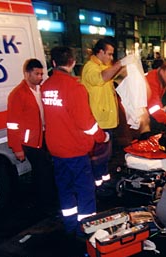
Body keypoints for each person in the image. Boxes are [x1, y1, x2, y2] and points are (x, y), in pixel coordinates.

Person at [41, 46, 109, 235]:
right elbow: (86, 124)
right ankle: (86, 229)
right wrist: (103, 136)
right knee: (85, 190)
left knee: (65, 189)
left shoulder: (46, 87)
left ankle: (70, 224)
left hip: (56, 149)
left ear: (53, 63)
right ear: (72, 62)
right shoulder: (75, 88)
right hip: (75, 150)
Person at [6, 58, 57, 214]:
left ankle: (39, 201)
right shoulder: (18, 94)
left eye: (42, 73)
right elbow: (12, 124)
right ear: (27, 73)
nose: (40, 77)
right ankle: (46, 205)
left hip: (42, 136)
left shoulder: (40, 89)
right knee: (44, 171)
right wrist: (17, 148)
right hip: (29, 141)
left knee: (41, 171)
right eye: (37, 74)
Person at [81, 37, 132, 189]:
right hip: (98, 121)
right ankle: (98, 185)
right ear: (100, 52)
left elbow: (113, 75)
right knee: (99, 156)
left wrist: (127, 67)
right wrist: (119, 64)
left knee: (105, 155)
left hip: (105, 120)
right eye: (109, 54)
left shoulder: (103, 66)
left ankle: (104, 180)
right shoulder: (91, 68)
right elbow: (102, 77)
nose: (111, 57)